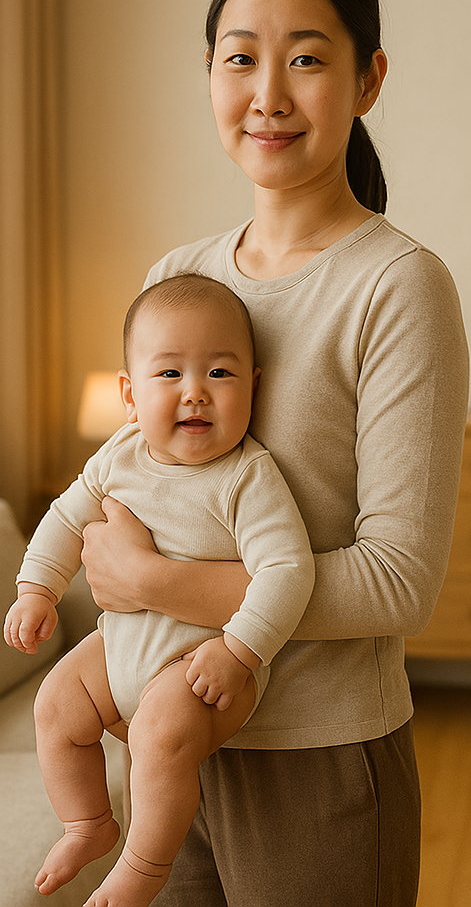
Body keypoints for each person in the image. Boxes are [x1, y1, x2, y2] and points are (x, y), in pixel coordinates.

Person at [73, 0, 469, 906]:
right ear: (208, 72)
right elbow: (133, 488)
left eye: (306, 59)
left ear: (369, 79)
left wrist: (156, 579)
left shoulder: (397, 286)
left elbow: (397, 584)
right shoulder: (176, 277)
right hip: (170, 738)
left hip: (321, 759)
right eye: (241, 57)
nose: (269, 94)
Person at [5, 274, 314, 907]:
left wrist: (242, 651)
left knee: (159, 733)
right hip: (120, 645)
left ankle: (143, 866)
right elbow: (65, 520)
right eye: (169, 374)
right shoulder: (118, 456)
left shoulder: (247, 476)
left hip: (203, 663)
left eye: (220, 375)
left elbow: (287, 570)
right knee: (56, 704)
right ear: (129, 394)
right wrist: (36, 589)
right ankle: (88, 823)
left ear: (254, 387)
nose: (195, 392)